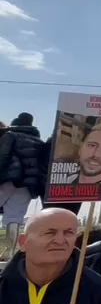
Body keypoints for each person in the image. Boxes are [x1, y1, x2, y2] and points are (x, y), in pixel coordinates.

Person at [0, 111, 44, 260]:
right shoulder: (39, 142)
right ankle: (9, 253)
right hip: (28, 184)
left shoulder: (10, 136)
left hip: (7, 178)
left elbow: (3, 157)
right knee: (14, 217)